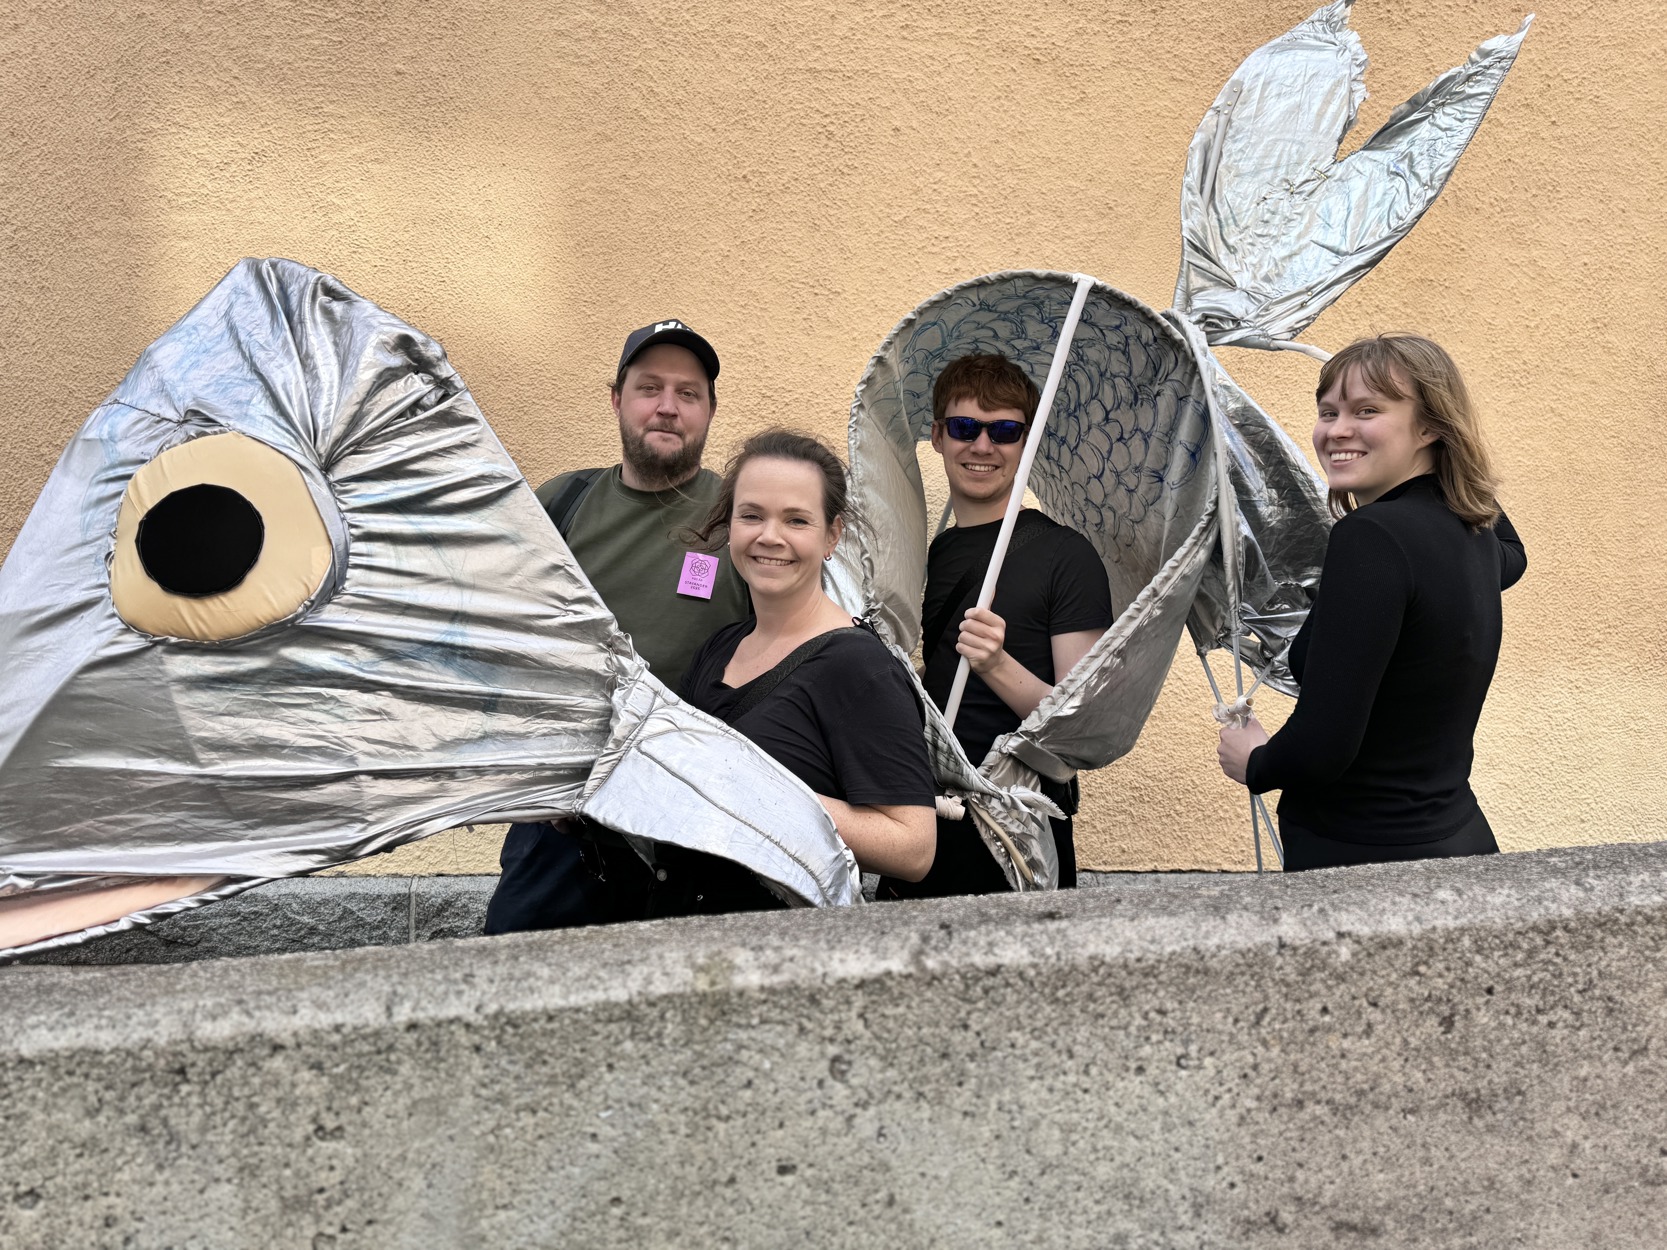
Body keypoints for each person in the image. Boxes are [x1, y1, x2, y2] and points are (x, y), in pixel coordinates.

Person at [1215, 333, 1527, 871]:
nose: (1337, 430)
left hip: (1365, 862)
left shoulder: (1371, 537)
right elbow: (1514, 554)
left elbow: (1323, 747)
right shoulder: (1473, 533)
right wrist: (1455, 460)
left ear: (1430, 427)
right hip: (1460, 841)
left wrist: (1257, 763)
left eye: (1367, 410)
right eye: (1328, 411)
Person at [483, 318, 750, 933]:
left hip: (693, 832)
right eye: (649, 388)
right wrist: (527, 770)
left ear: (710, 411)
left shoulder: (739, 517)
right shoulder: (562, 504)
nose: (667, 407)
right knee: (515, 976)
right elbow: (501, 642)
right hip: (562, 828)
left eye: (688, 393)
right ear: (617, 400)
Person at [663, 429, 937, 913]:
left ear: (832, 535)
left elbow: (913, 848)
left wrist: (758, 791)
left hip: (782, 945)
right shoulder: (719, 648)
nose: (770, 536)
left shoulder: (859, 667)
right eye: (752, 515)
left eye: (796, 520)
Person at [879, 354, 1113, 899]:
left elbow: (1079, 725)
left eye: (1005, 431)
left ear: (1026, 443)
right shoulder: (935, 551)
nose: (983, 446)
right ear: (938, 436)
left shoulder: (1066, 556)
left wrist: (996, 664)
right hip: (927, 816)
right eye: (965, 427)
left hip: (1014, 829)